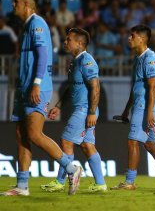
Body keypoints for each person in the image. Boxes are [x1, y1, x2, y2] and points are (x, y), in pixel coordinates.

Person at [0, 0, 82, 196]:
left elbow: (43, 55)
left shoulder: (37, 24)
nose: (13, 5)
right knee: (21, 135)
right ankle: (22, 186)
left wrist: (36, 83)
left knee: (34, 134)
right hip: (24, 88)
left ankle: (71, 168)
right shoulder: (25, 26)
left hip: (37, 88)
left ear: (27, 5)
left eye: (16, 2)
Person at [111, 25, 155, 190]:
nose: (129, 38)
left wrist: (149, 112)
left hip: (144, 108)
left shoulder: (150, 58)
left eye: (132, 36)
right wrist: (126, 110)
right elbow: (136, 87)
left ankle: (129, 182)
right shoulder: (138, 59)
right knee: (150, 144)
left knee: (132, 141)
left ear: (142, 39)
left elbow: (153, 88)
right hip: (139, 106)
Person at [40, 28, 107, 193]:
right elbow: (71, 89)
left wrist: (91, 112)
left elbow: (95, 86)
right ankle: (100, 184)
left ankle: (61, 181)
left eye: (68, 39)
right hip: (83, 109)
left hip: (85, 110)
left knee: (66, 141)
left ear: (79, 43)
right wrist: (58, 106)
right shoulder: (75, 62)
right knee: (87, 146)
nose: (65, 42)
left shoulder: (87, 61)